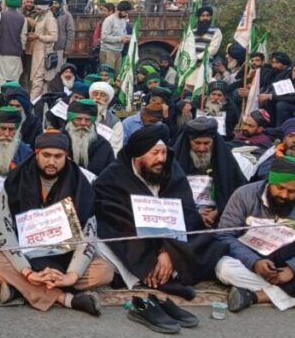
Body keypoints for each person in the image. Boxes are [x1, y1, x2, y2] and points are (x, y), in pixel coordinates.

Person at [94, 124, 228, 298]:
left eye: (163, 152)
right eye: (155, 153)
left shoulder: (171, 169)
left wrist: (168, 251)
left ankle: (157, 271)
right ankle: (151, 274)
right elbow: (116, 220)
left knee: (210, 247)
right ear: (138, 156)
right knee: (104, 240)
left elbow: (185, 213)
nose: (161, 159)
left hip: (172, 236)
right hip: (134, 238)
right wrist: (156, 251)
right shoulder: (113, 177)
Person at [0, 131, 112, 313]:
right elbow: (4, 231)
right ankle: (66, 298)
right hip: (26, 258)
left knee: (104, 271)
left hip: (65, 258)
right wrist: (28, 272)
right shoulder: (16, 180)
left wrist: (71, 276)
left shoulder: (80, 184)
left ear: (66, 156)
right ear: (36, 153)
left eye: (58, 156)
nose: (52, 162)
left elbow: (88, 233)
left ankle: (23, 288)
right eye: (46, 155)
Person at [215, 156, 295, 313]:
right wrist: (254, 262)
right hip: (252, 261)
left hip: (288, 263)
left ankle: (254, 297)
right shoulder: (244, 195)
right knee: (224, 268)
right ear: (270, 182)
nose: (284, 195)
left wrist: (293, 269)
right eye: (280, 188)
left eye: (292, 191)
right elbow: (224, 235)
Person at [173, 117, 248, 227]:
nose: (202, 148)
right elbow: (169, 195)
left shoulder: (224, 160)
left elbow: (236, 191)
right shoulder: (177, 160)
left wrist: (217, 211)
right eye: (197, 143)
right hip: (183, 216)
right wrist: (193, 213)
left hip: (217, 217)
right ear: (189, 141)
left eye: (206, 143)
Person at [63, 99, 114, 173]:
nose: (83, 123)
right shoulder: (58, 142)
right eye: (78, 119)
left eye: (87, 120)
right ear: (71, 119)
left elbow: (110, 173)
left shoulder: (103, 145)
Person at [0, 0, 27, 89]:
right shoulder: (23, 18)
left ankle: (1, 99)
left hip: (1, 52)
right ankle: (14, 99)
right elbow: (23, 37)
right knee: (15, 80)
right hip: (15, 54)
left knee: (1, 79)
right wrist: (22, 49)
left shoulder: (0, 15)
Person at [99, 1, 131, 75]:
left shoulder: (123, 20)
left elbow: (123, 34)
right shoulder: (109, 20)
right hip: (108, 52)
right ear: (119, 10)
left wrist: (129, 37)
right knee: (108, 76)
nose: (126, 14)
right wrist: (120, 39)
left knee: (117, 76)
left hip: (118, 52)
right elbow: (104, 37)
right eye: (125, 12)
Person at [51, 0, 75, 71]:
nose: (54, 5)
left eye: (56, 3)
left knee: (59, 70)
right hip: (49, 48)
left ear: (60, 4)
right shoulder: (49, 14)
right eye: (52, 3)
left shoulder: (67, 15)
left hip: (60, 48)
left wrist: (67, 49)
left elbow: (70, 32)